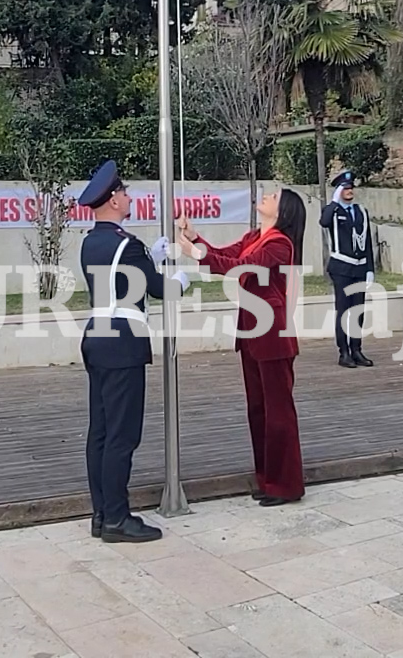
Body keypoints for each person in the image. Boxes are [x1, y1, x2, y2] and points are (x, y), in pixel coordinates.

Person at [180, 189, 305, 506]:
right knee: (258, 411)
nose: (266, 195)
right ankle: (268, 479)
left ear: (284, 210)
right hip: (251, 332)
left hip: (272, 333)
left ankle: (286, 485)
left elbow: (240, 267)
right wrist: (196, 240)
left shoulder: (279, 243)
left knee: (278, 413)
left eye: (274, 195)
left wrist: (196, 255)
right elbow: (226, 255)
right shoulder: (254, 235)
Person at [78, 160, 172, 543]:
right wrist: (177, 276)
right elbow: (158, 289)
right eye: (125, 192)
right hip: (124, 342)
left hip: (97, 336)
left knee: (99, 432)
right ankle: (118, 518)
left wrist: (150, 255)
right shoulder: (126, 245)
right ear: (113, 200)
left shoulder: (93, 241)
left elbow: (121, 279)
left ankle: (101, 513)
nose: (128, 196)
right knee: (121, 436)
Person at [321, 171, 377, 368]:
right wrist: (334, 202)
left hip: (359, 268)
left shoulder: (361, 211)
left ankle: (357, 349)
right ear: (338, 191)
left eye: (350, 187)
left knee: (358, 311)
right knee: (344, 311)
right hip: (341, 268)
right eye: (344, 188)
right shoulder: (333, 211)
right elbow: (324, 222)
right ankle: (343, 352)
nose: (349, 191)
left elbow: (367, 241)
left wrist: (370, 268)